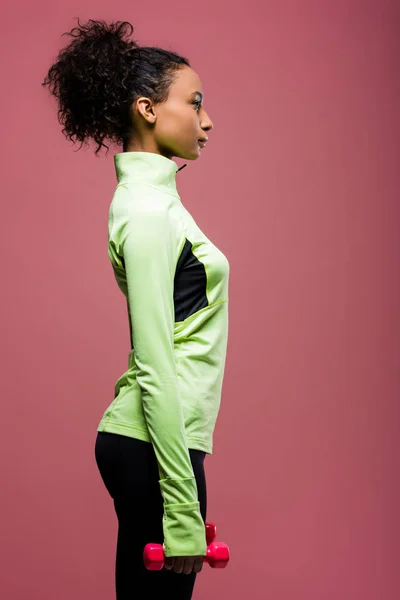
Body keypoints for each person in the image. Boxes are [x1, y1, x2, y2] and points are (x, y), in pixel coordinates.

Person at [42, 18, 230, 600]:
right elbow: (155, 361)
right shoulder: (148, 213)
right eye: (194, 102)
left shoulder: (156, 203)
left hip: (161, 442)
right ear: (148, 110)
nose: (207, 120)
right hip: (153, 445)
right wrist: (180, 509)